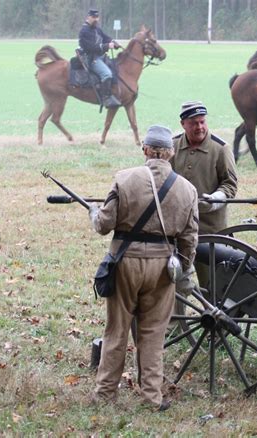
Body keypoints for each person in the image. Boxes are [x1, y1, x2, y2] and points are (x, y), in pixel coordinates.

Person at [88, 125, 199, 410]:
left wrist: (92, 211)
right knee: (153, 335)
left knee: (116, 331)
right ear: (171, 153)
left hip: (125, 263)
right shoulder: (188, 190)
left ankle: (105, 395)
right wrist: (181, 268)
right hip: (163, 267)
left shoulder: (125, 179)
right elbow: (189, 238)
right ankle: (152, 398)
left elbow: (103, 225)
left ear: (146, 150)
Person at [171, 101, 238, 235]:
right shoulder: (172, 145)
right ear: (183, 124)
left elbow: (230, 184)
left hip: (210, 228)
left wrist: (214, 200)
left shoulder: (221, 148)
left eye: (202, 122)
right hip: (177, 225)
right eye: (193, 123)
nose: (199, 127)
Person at [78, 9, 121, 108]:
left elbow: (105, 37)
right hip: (91, 59)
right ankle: (106, 98)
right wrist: (106, 46)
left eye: (97, 17)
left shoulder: (96, 28)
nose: (96, 19)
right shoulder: (84, 31)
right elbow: (90, 47)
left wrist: (114, 42)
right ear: (88, 17)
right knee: (107, 74)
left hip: (101, 56)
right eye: (93, 17)